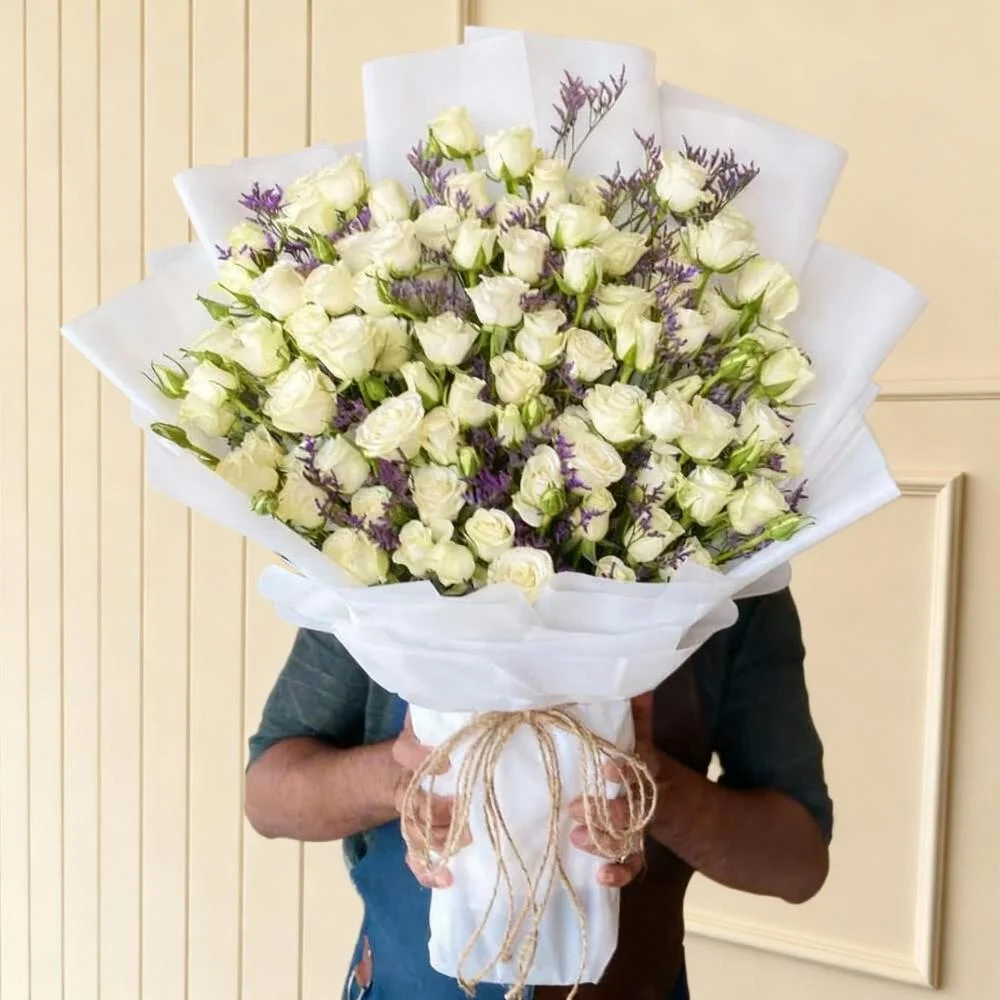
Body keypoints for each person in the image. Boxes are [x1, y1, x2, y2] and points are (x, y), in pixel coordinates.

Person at [245, 587, 832, 999]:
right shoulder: (379, 559)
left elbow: (799, 862)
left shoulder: (730, 579)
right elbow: (268, 794)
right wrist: (399, 781)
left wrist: (655, 791)